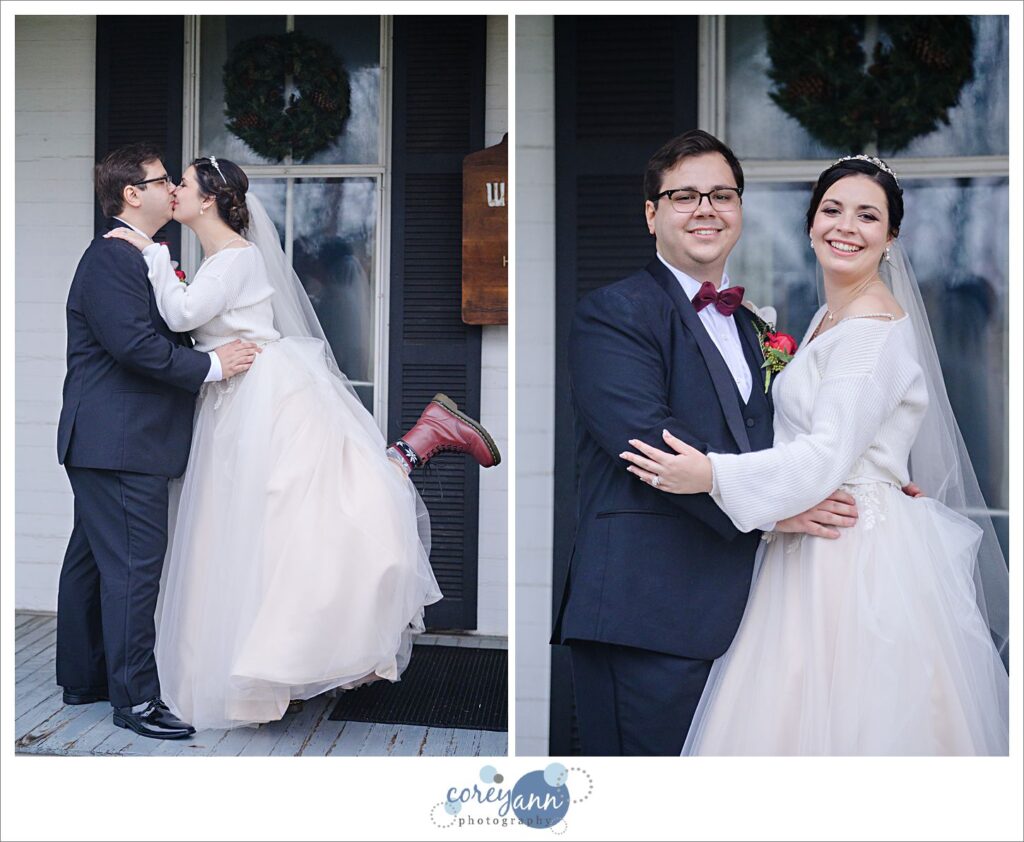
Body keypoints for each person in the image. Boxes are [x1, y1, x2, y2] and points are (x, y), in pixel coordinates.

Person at [620, 155, 1009, 755]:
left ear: (891, 237)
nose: (845, 226)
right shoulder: (832, 316)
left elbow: (827, 453)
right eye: (831, 210)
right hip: (809, 546)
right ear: (809, 225)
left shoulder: (871, 329)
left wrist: (711, 474)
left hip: (852, 558)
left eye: (868, 216)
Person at [106, 155, 500, 731]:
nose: (172, 193)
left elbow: (182, 310)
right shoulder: (217, 257)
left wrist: (150, 254)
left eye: (181, 185)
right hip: (234, 398)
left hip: (265, 395)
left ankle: (422, 441)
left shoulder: (235, 257)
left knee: (310, 518)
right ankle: (418, 442)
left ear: (208, 199)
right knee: (270, 529)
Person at [551, 130, 865, 756]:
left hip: (748, 617)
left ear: (740, 211)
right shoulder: (613, 312)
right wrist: (778, 510)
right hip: (648, 612)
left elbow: (791, 435)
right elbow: (652, 446)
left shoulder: (756, 327)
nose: (705, 210)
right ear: (652, 214)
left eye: (721, 195)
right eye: (684, 196)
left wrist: (865, 480)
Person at [56, 143, 260, 740]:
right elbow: (134, 348)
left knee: (93, 562)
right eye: (161, 179)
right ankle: (137, 701)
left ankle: (85, 677)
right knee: (134, 571)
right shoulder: (112, 259)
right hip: (120, 440)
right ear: (131, 194)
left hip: (109, 439)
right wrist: (213, 367)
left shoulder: (135, 255)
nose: (172, 186)